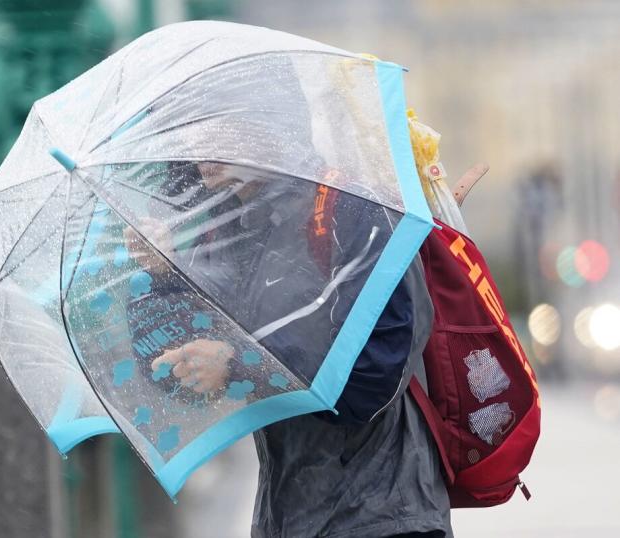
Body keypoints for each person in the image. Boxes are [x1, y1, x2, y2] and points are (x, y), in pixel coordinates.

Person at [131, 160, 453, 537]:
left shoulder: (349, 208)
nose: (203, 153)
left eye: (226, 122)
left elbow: (375, 374)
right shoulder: (229, 230)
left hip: (381, 515)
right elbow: (177, 370)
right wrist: (162, 278)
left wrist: (240, 365)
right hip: (288, 516)